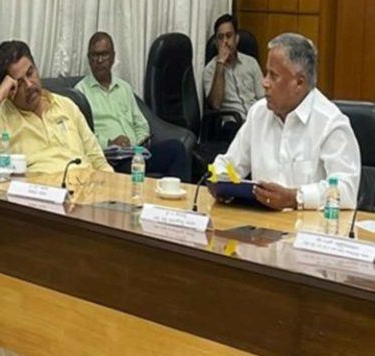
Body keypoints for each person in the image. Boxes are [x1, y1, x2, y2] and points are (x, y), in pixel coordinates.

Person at [212, 33, 360, 210]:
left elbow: (346, 190)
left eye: (273, 76)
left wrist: (295, 198)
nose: (264, 82)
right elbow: (228, 164)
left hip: (310, 225)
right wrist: (221, 184)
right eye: (266, 73)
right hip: (259, 223)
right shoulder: (259, 113)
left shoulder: (330, 123)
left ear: (299, 83)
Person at [0, 40, 112, 174]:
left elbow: (97, 158)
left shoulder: (65, 105)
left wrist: (112, 187)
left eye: (30, 73)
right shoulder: (3, 117)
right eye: (20, 82)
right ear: (10, 89)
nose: (29, 85)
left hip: (87, 186)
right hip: (42, 190)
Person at [76, 31, 188, 181]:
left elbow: (142, 125)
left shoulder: (125, 88)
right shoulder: (80, 92)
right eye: (95, 55)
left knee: (176, 148)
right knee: (130, 165)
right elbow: (81, 135)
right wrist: (110, 143)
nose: (100, 60)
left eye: (104, 54)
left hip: (135, 154)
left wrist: (134, 146)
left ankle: (179, 196)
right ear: (89, 59)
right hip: (109, 159)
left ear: (113, 57)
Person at [203, 14, 264, 142]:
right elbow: (215, 104)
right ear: (216, 43)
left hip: (256, 120)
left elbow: (263, 97)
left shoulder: (251, 63)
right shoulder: (210, 70)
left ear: (236, 39)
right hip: (233, 124)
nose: (225, 42)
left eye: (229, 36)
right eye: (220, 38)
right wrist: (220, 64)